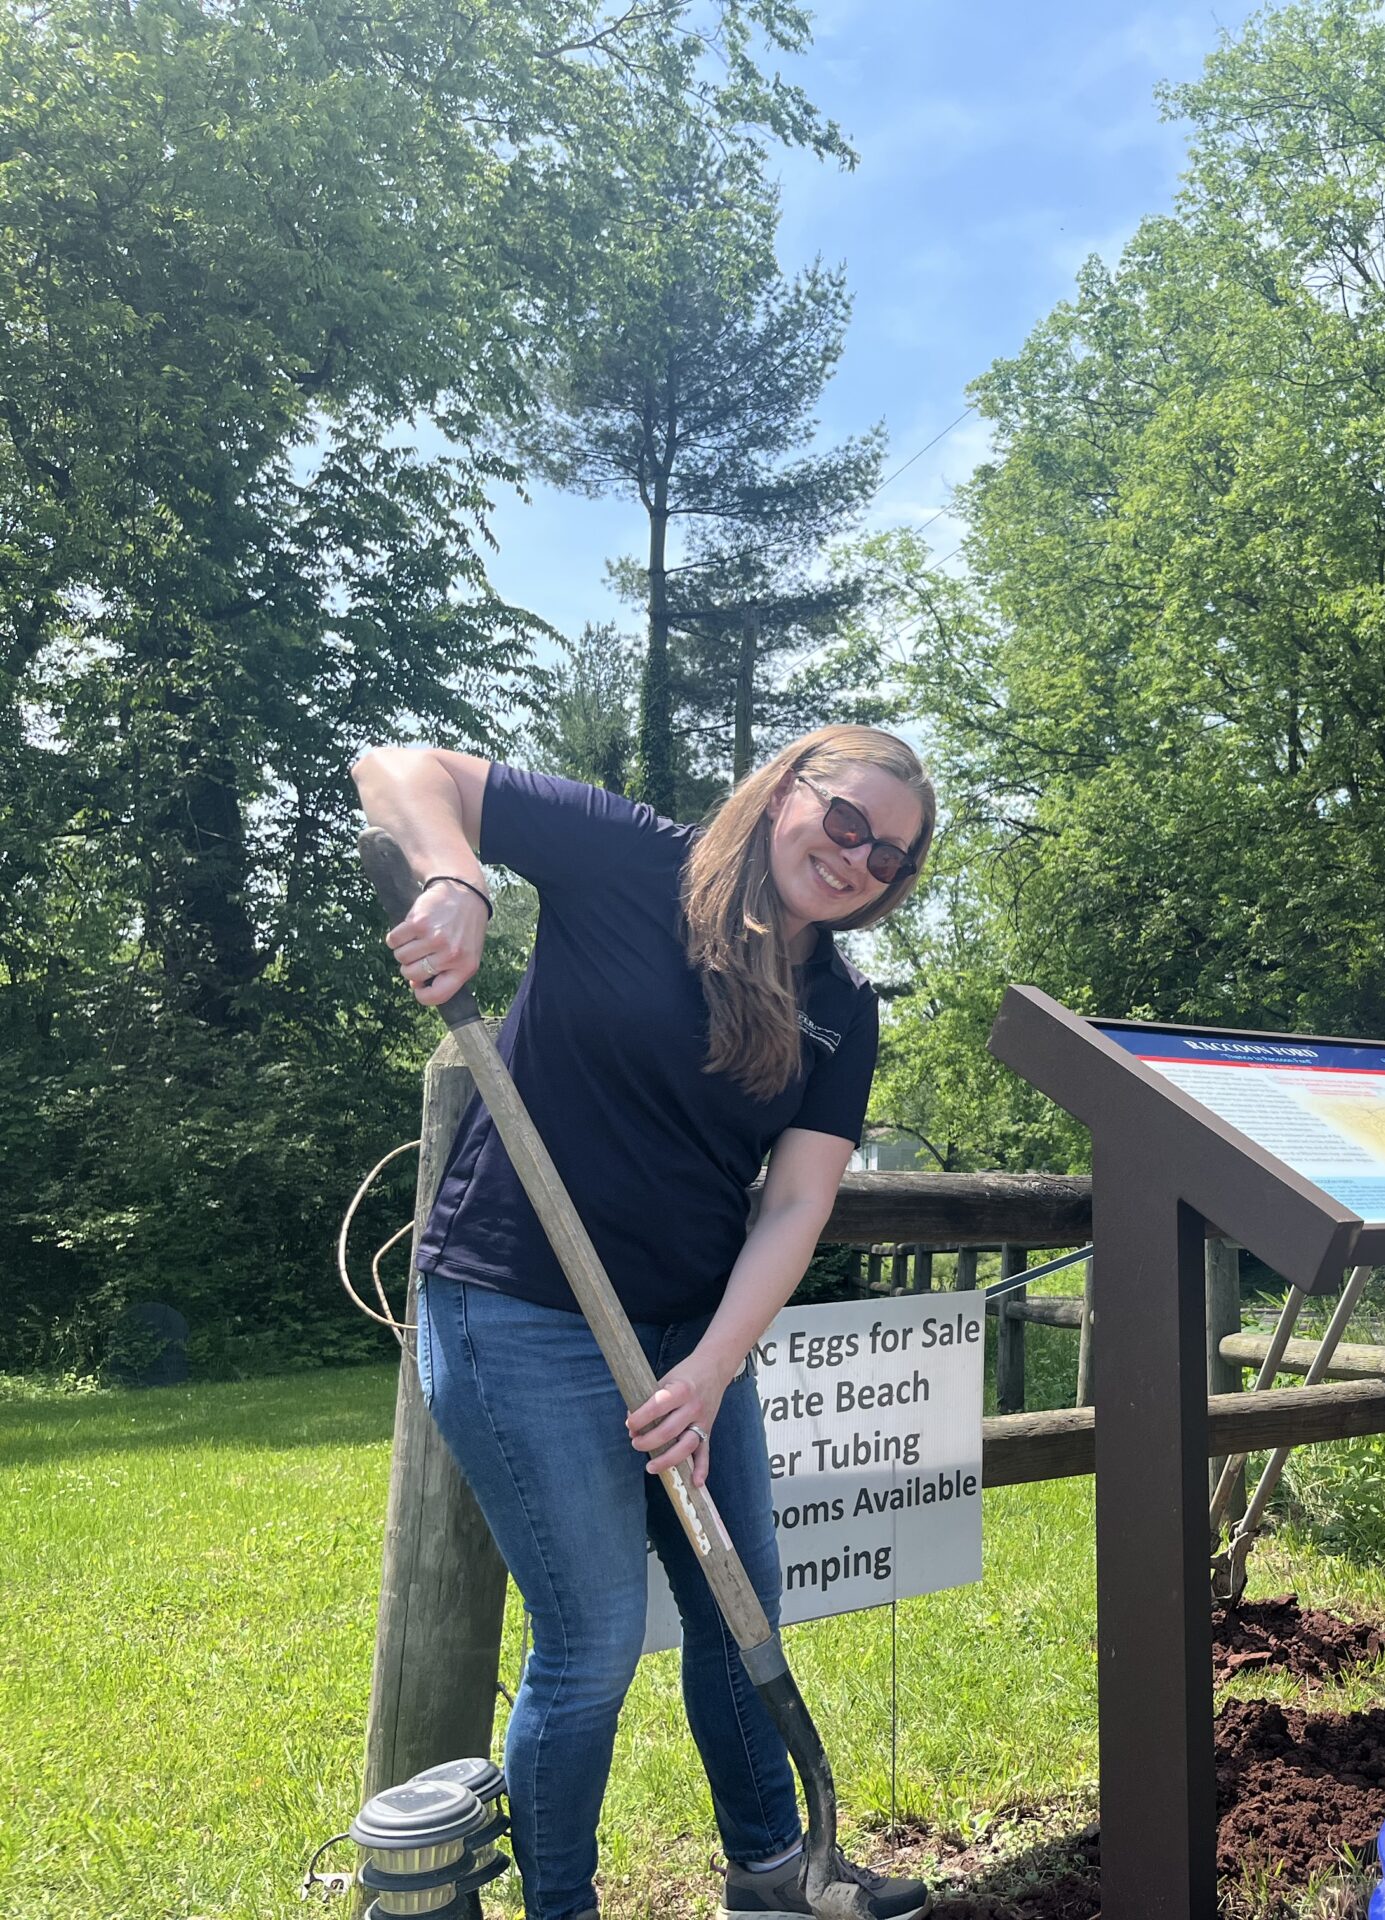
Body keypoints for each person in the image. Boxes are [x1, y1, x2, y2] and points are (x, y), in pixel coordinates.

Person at [352, 728, 938, 1920]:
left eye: (887, 856)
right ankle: (558, 1907)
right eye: (843, 822)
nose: (856, 860)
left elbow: (794, 1200)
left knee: (740, 1617)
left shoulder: (839, 1006)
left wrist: (717, 1366)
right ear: (786, 788)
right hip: (517, 1310)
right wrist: (459, 881)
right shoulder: (631, 861)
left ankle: (775, 1868)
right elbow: (396, 766)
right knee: (594, 1643)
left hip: (694, 1336)